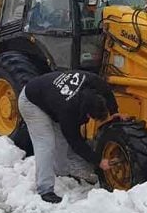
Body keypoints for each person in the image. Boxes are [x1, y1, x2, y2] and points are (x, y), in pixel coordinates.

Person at [18, 70, 125, 204]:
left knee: (61, 141)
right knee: (45, 143)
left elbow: (105, 88)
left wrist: (114, 111)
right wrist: (98, 161)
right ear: (87, 115)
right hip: (30, 102)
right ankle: (45, 190)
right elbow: (76, 142)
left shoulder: (91, 81)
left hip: (49, 96)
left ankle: (61, 173)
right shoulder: (68, 111)